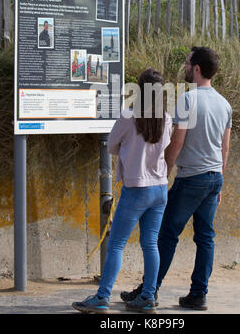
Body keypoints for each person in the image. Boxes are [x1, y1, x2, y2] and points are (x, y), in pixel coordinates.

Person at [121, 46, 232, 311]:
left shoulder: (188, 100)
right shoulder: (224, 103)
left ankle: (150, 291)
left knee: (166, 235)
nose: (184, 66)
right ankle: (198, 294)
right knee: (205, 237)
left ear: (196, 69)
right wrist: (220, 179)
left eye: (187, 63)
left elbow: (178, 142)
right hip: (214, 176)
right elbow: (225, 147)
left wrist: (163, 173)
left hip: (191, 178)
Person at [72, 68, 172, 314]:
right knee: (150, 243)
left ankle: (102, 296)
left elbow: (112, 145)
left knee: (116, 243)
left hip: (137, 188)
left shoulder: (129, 117)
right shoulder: (167, 118)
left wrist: (130, 151)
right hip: (160, 188)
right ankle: (148, 296)